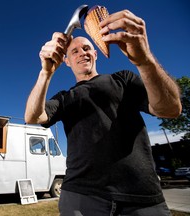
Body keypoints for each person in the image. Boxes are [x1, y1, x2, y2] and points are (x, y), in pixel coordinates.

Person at [24, 9, 182, 216]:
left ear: (96, 52)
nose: (83, 53)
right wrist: (45, 73)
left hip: (142, 198)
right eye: (75, 51)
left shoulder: (123, 79)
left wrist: (144, 60)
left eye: (87, 48)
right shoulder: (64, 97)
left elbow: (170, 109)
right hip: (81, 197)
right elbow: (33, 117)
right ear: (67, 61)